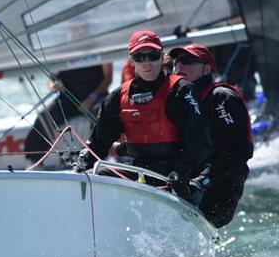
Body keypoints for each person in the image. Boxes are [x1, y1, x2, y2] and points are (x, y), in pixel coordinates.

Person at [74, 30, 210, 200]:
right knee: (89, 175)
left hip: (174, 175)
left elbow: (199, 139)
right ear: (131, 61)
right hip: (138, 171)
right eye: (139, 57)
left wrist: (182, 171)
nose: (147, 63)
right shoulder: (117, 98)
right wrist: (83, 163)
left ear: (161, 57)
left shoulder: (183, 91)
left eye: (152, 56)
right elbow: (99, 143)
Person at [170, 43, 253, 227]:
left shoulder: (221, 98)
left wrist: (204, 180)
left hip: (220, 187)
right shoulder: (179, 100)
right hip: (187, 180)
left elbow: (237, 152)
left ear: (207, 69)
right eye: (175, 62)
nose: (179, 67)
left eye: (187, 61)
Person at [24, 63, 113, 164]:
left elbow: (108, 78)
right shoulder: (60, 52)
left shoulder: (96, 47)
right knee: (44, 117)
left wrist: (92, 98)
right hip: (68, 98)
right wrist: (54, 85)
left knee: (104, 114)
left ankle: (103, 158)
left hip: (95, 95)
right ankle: (35, 161)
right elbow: (51, 80)